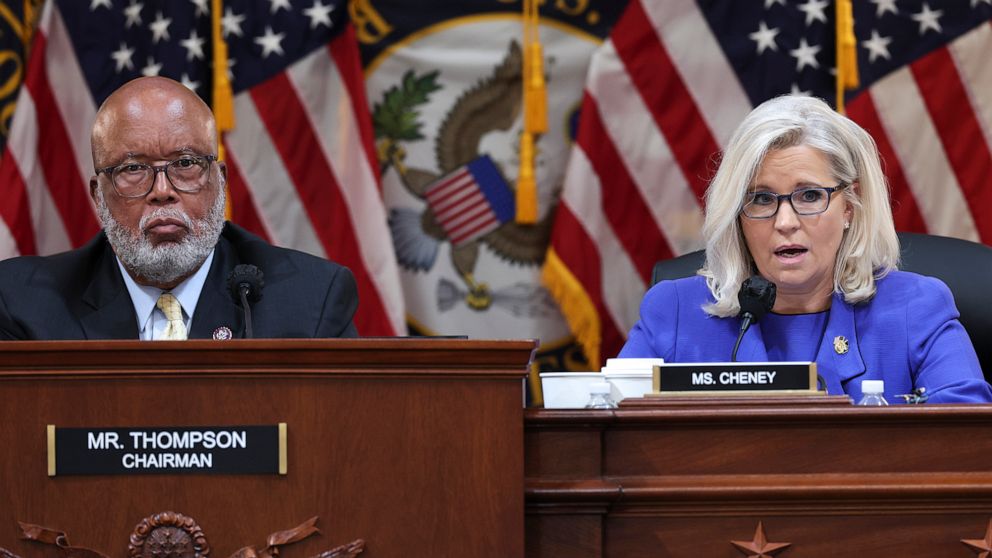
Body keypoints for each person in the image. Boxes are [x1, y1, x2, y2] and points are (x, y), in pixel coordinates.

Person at [619, 95, 992, 404]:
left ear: (849, 205)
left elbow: (965, 438)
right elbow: (611, 431)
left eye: (810, 195)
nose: (785, 222)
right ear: (737, 214)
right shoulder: (675, 312)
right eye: (762, 199)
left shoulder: (916, 309)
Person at [0, 76, 358, 340]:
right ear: (98, 194)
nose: (162, 191)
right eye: (133, 169)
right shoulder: (24, 304)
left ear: (220, 180)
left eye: (186, 164)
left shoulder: (310, 302)